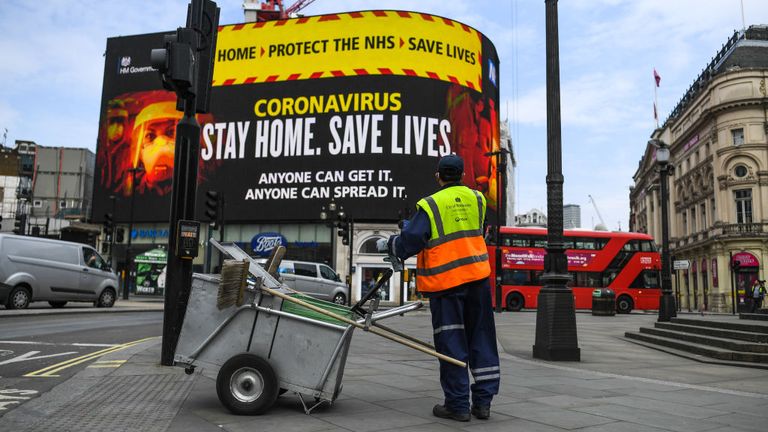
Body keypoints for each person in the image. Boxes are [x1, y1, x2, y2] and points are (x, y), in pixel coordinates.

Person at [380, 154, 500, 422]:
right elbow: (475, 230)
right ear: (463, 175)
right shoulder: (478, 199)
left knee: (452, 342)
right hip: (478, 280)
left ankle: (457, 405)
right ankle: (483, 403)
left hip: (447, 285)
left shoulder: (430, 204)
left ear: (438, 176)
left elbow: (411, 241)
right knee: (482, 338)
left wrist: (392, 245)